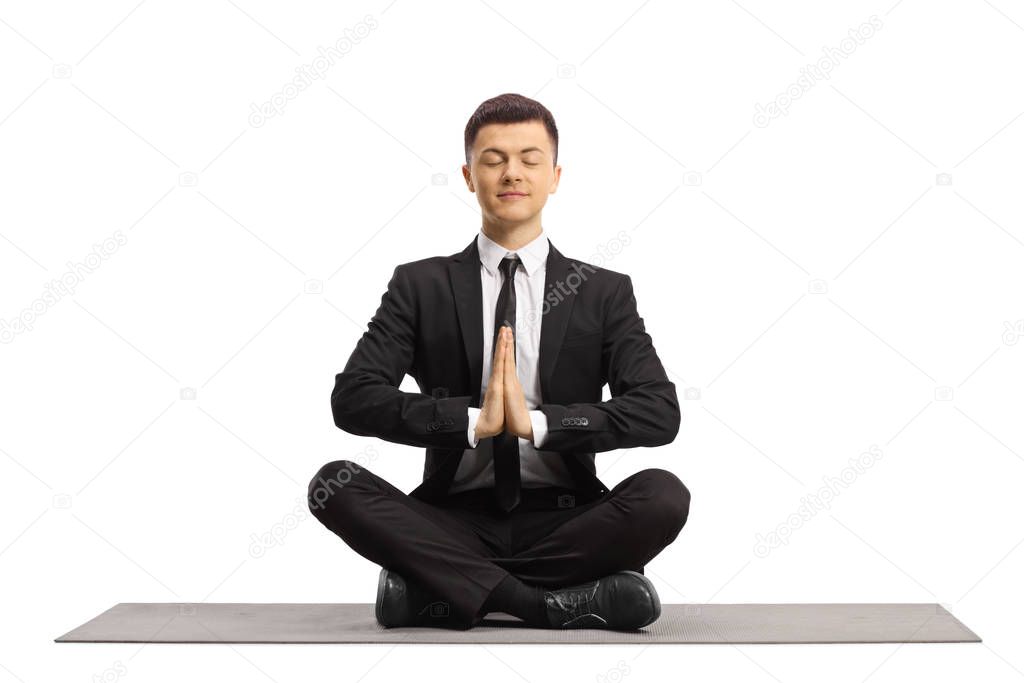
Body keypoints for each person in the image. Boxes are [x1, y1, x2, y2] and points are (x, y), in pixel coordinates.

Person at [308, 93, 690, 631]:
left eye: (530, 160)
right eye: (494, 160)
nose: (513, 173)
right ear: (469, 175)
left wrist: (539, 425)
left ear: (554, 176)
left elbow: (658, 412)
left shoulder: (602, 292)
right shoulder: (421, 286)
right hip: (452, 520)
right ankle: (547, 602)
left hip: (568, 520)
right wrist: (470, 421)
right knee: (335, 484)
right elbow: (353, 399)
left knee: (663, 495)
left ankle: (439, 590)